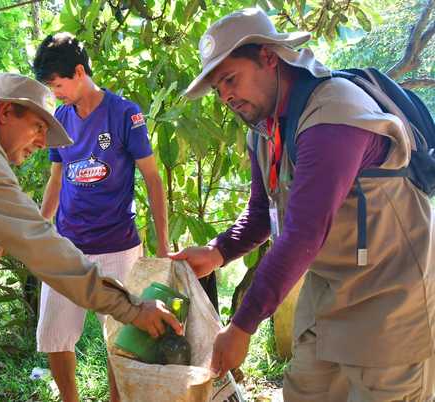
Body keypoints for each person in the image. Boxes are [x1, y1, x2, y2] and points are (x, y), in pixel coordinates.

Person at [171, 8, 435, 401]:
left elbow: (302, 234)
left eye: (230, 79)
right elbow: (263, 213)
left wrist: (241, 327)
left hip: (389, 298)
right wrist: (217, 252)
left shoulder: (334, 116)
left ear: (269, 58)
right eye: (218, 88)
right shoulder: (264, 128)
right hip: (329, 295)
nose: (226, 95)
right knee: (305, 391)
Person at [0, 72, 180, 402]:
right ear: (5, 112)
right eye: (37, 127)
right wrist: (134, 308)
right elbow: (42, 246)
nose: (41, 143)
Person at [27, 32, 169, 402]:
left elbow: (153, 179)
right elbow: (55, 180)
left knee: (120, 337)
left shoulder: (126, 113)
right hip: (67, 247)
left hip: (118, 245)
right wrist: (42, 230)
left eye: (58, 85)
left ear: (78, 72)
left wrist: (164, 243)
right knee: (55, 335)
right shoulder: (60, 117)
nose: (55, 93)